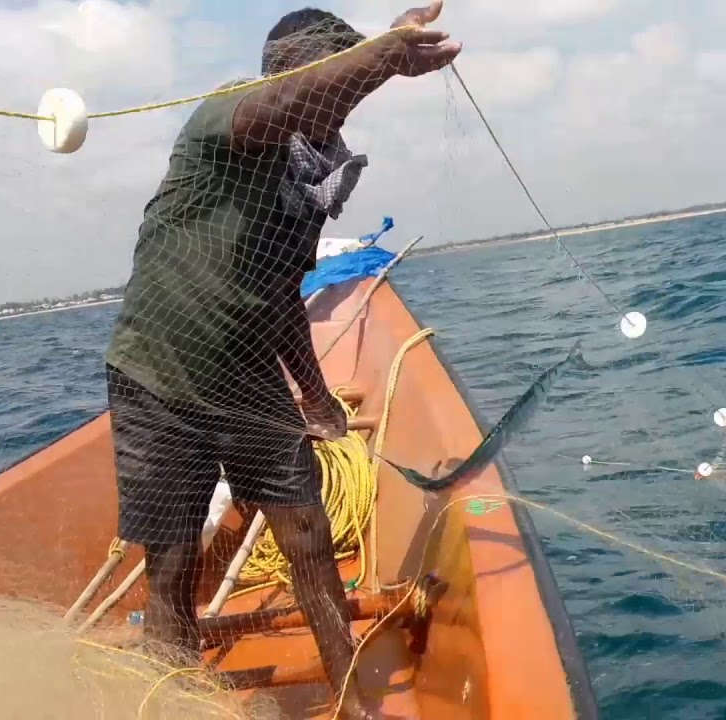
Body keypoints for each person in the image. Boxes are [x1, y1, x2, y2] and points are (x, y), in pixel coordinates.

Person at [103, 3, 461, 717]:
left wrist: (317, 394)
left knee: (308, 536)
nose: (340, 104)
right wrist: (387, 55)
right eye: (332, 72)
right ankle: (175, 697)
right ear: (287, 70)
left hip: (249, 378)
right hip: (159, 373)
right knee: (173, 565)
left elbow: (280, 295)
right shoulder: (228, 116)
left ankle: (353, 699)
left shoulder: (306, 182)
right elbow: (296, 100)